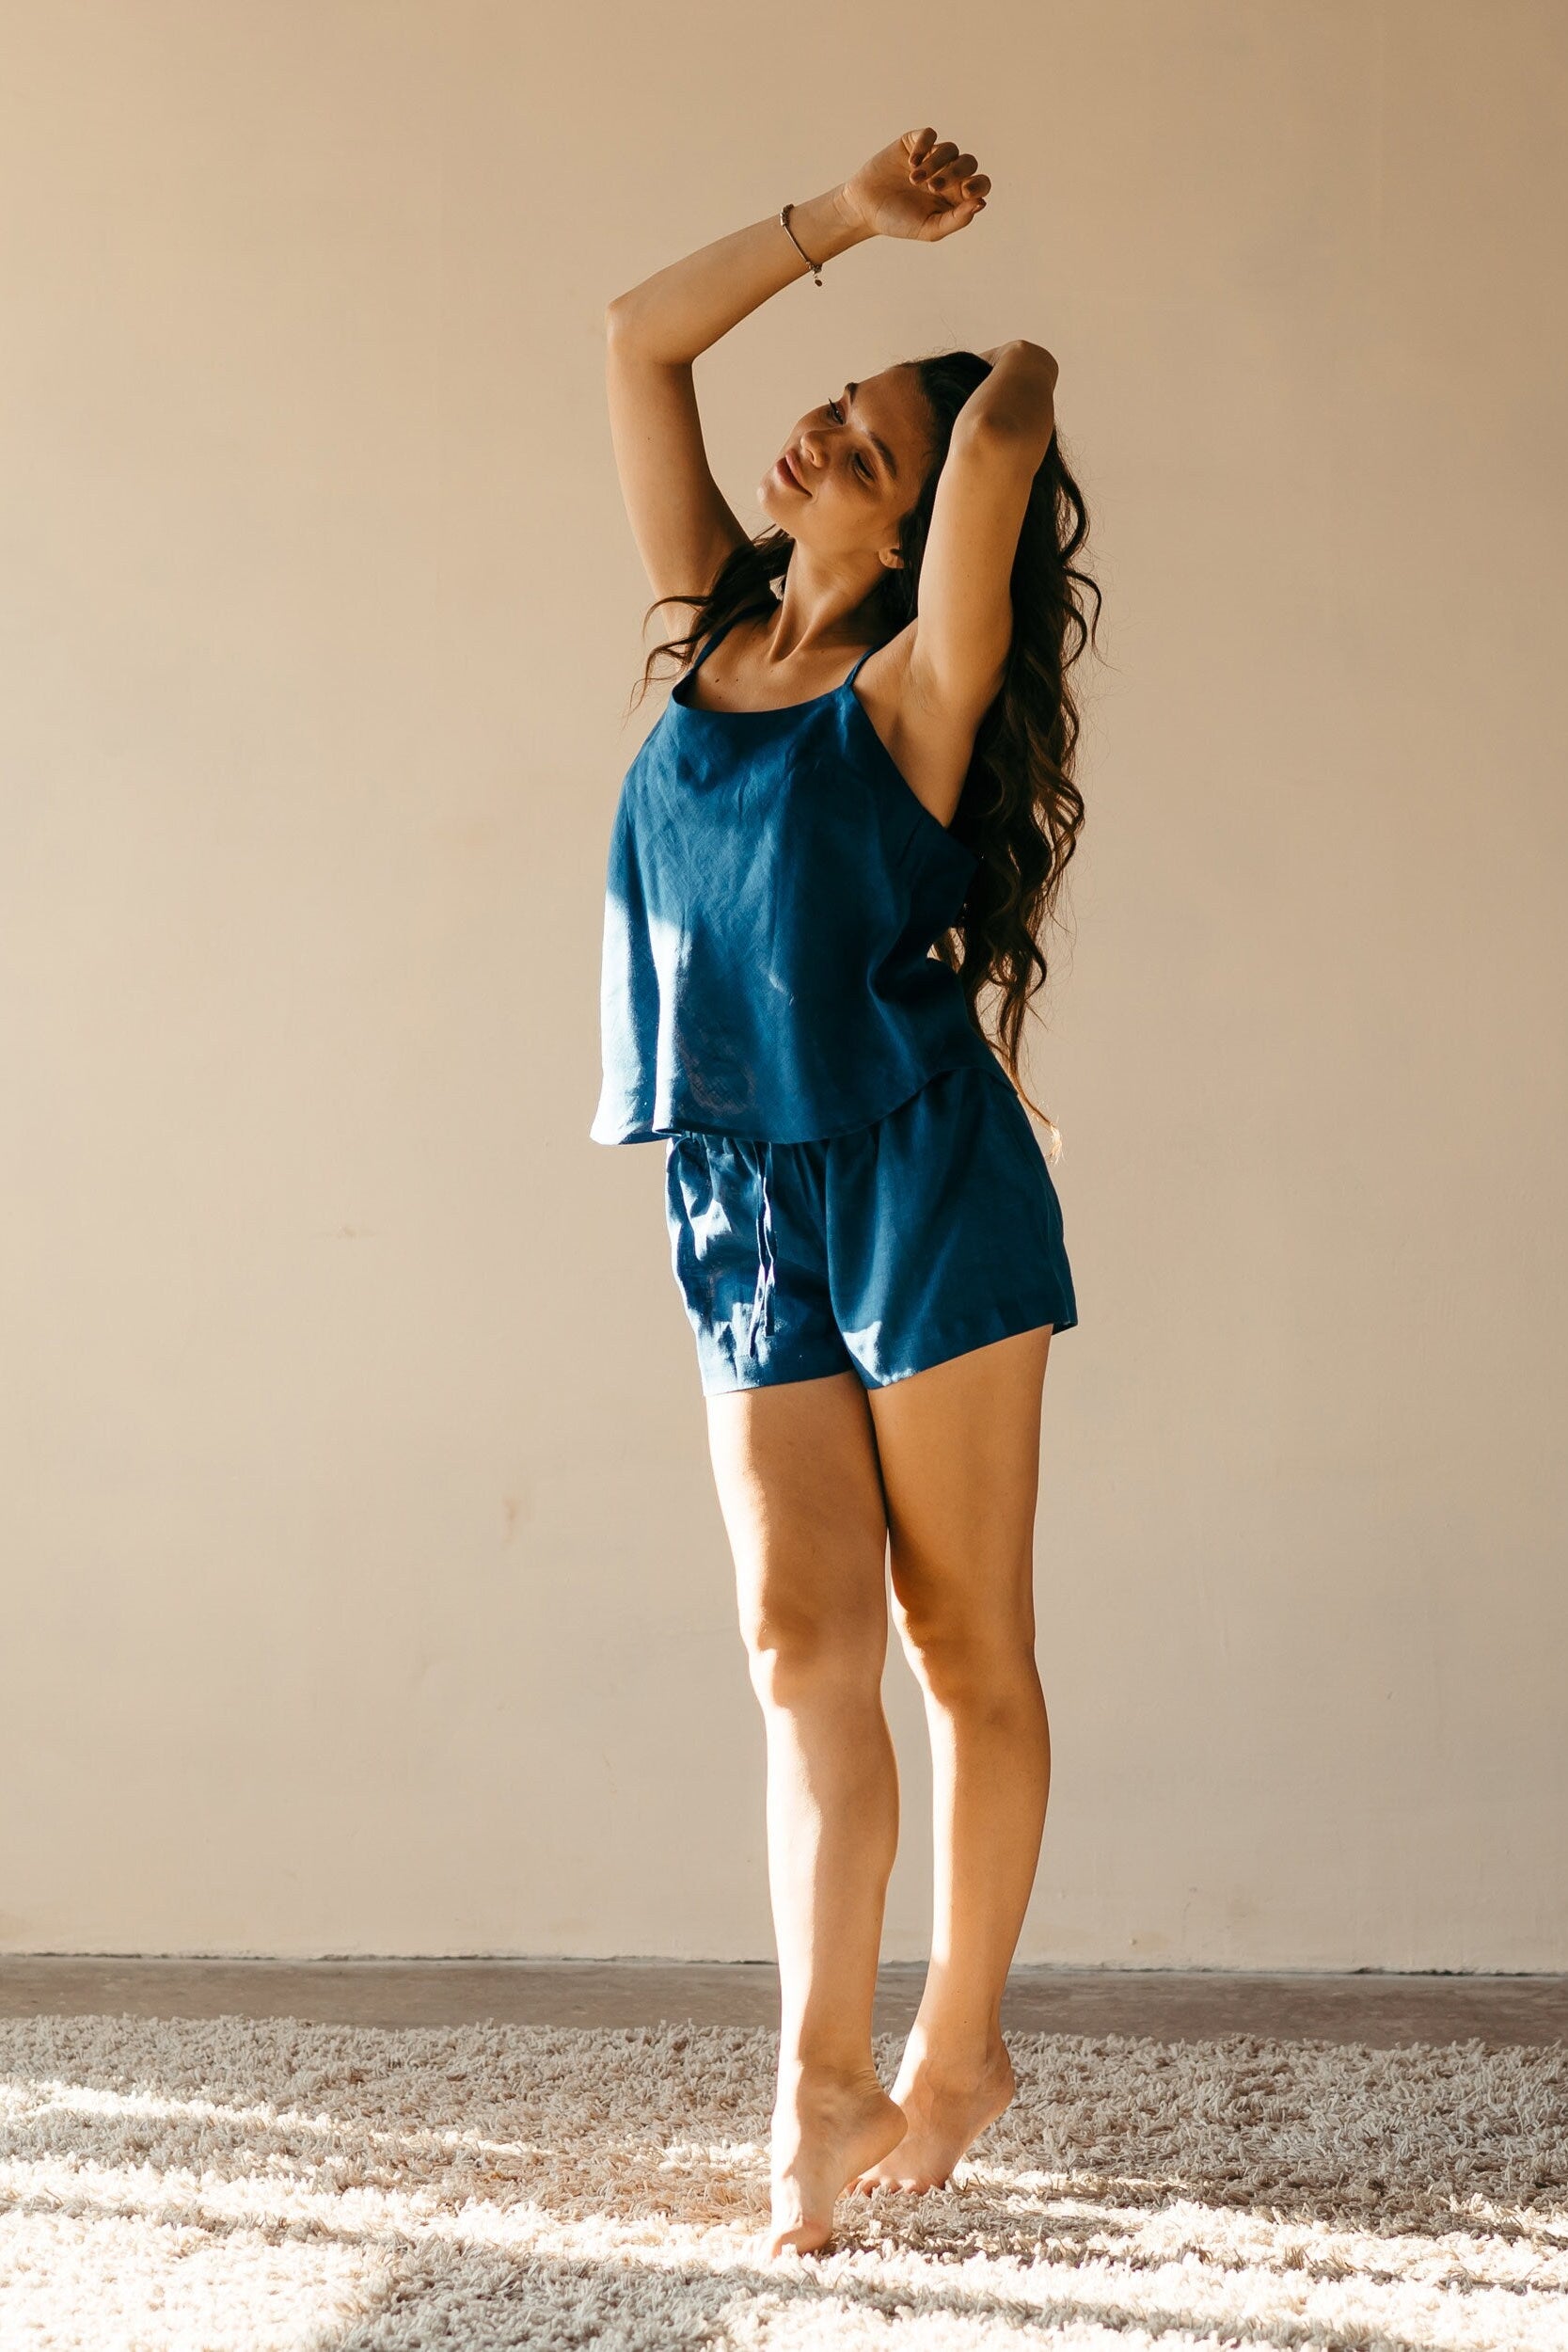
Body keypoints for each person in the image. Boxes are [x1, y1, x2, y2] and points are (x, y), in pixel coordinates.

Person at [590, 126, 1100, 2258]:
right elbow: (637, 338)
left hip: (925, 1186)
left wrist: (992, 379)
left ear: (914, 545)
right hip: (737, 1196)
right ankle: (816, 2064)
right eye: (832, 406)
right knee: (800, 1639)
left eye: (862, 447)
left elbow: (1009, 418)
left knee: (957, 1638)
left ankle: (955, 2038)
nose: (820, 431)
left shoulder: (913, 687)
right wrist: (844, 231)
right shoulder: (716, 632)